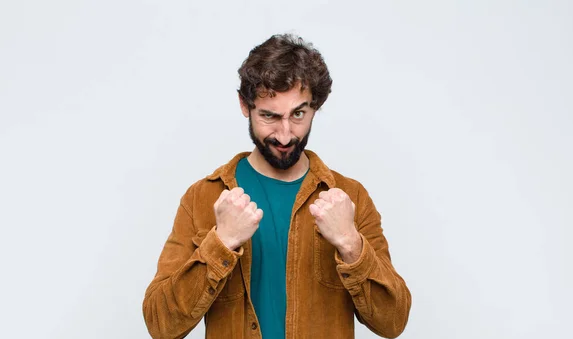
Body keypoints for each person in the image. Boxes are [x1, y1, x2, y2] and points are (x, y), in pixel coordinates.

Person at [142, 33, 411, 339]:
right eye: (269, 116)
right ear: (245, 105)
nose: (285, 135)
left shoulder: (351, 197)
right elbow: (160, 325)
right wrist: (221, 242)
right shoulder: (203, 197)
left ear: (316, 107)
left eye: (298, 114)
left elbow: (393, 322)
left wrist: (350, 244)